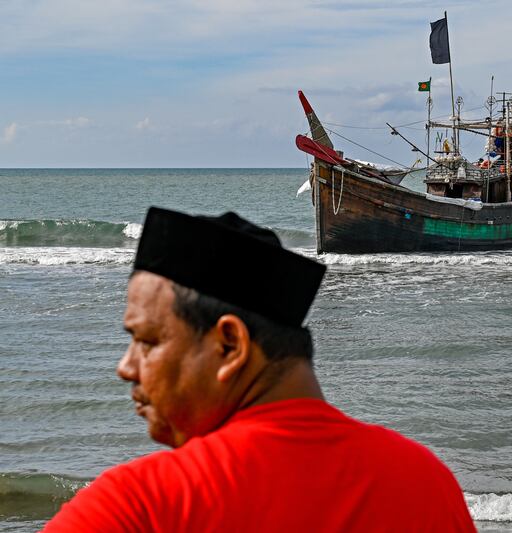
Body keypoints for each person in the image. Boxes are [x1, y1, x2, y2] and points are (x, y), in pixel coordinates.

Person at [45, 207, 476, 532]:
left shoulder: (142, 507)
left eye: (147, 341)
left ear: (230, 346)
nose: (126, 367)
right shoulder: (425, 483)